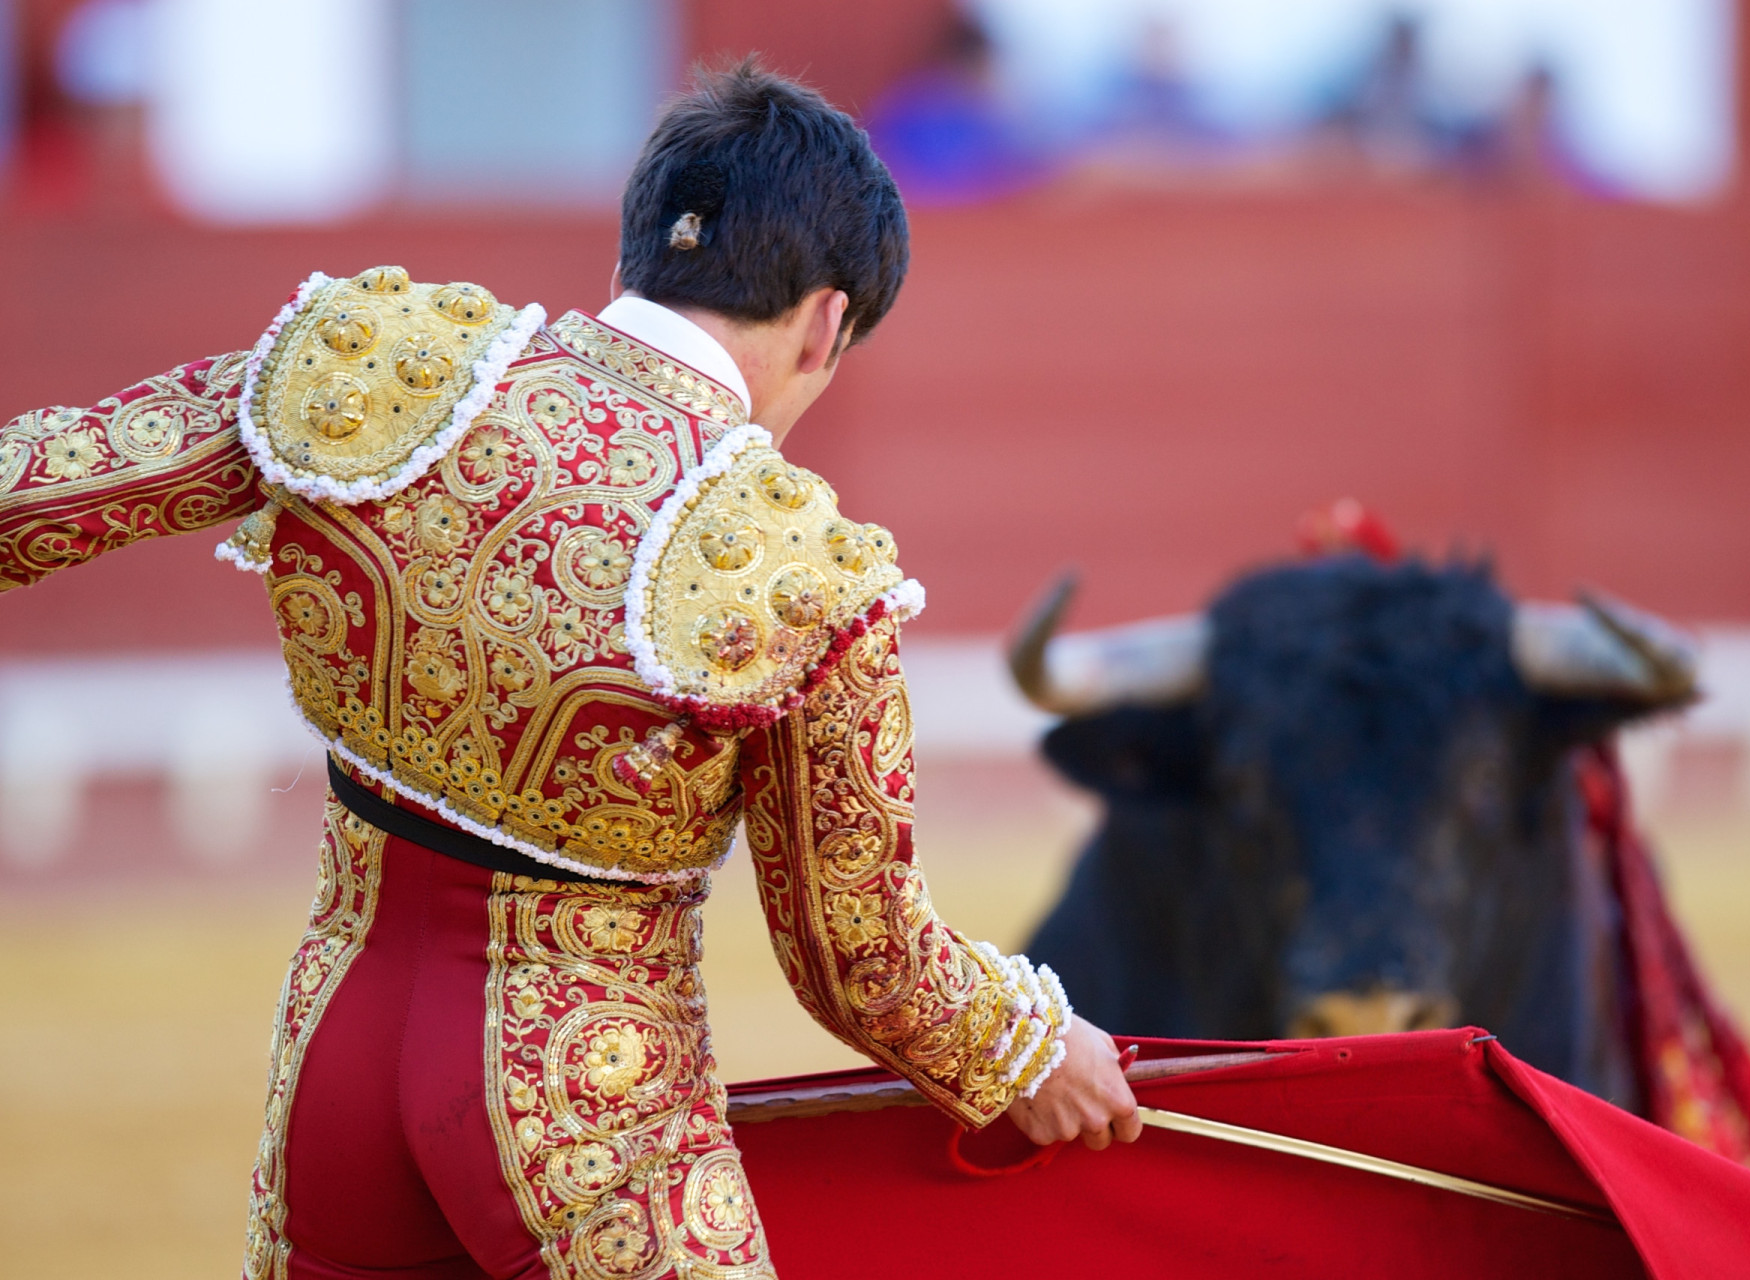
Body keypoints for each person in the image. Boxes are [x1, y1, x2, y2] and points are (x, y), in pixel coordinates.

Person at [0, 61, 1140, 1279]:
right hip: (586, 1105)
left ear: (631, 256)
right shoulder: (800, 569)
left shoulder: (386, 367)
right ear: (826, 322)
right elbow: (860, 962)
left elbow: (31, 491)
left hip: (334, 1063)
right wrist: (1029, 1045)